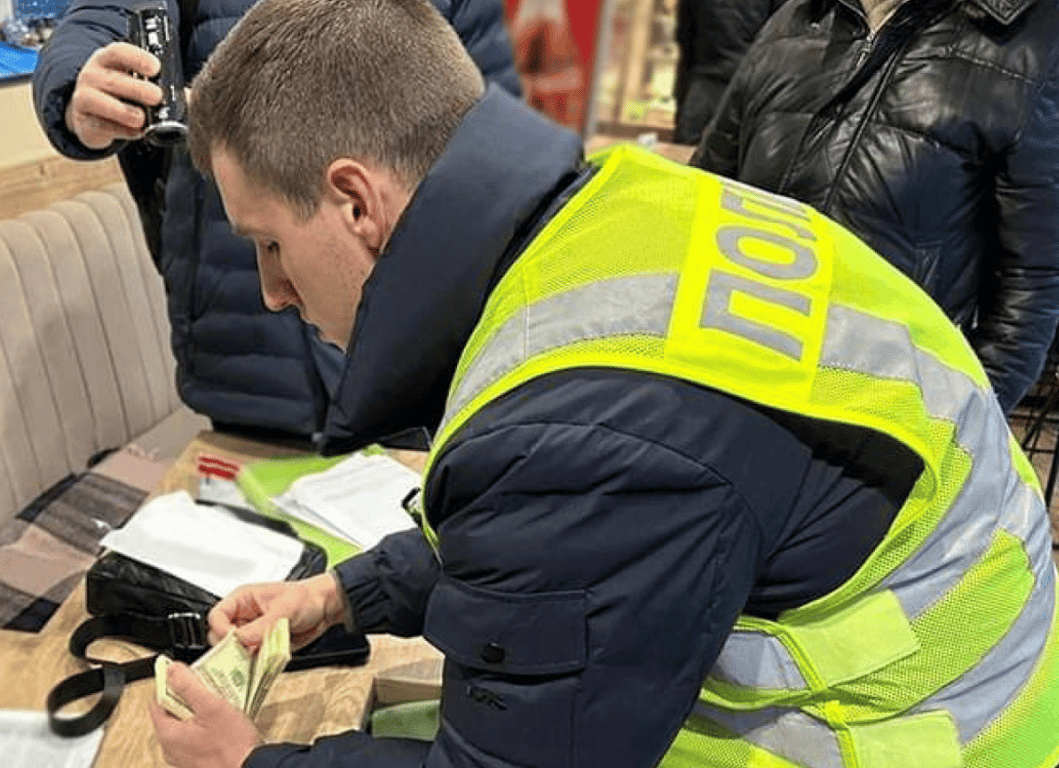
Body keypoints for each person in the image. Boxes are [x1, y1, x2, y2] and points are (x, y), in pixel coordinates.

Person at [140, 1, 1059, 766]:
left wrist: (247, 764)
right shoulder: (619, 208)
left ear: (355, 203)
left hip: (907, 737)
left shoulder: (578, 431)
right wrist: (346, 596)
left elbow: (566, 511)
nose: (271, 291)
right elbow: (562, 536)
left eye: (269, 242)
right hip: (948, 670)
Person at [30, 0, 520, 445]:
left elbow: (494, 137)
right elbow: (101, 18)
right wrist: (81, 86)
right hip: (246, 352)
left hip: (411, 354)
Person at [690, 0, 1059, 415]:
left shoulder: (1035, 40)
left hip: (878, 410)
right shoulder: (797, 19)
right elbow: (704, 196)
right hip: (730, 379)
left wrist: (955, 422)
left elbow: (1033, 281)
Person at [671, 0, 789, 144]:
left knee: (687, 150)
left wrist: (681, 101)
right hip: (749, 85)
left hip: (704, 88)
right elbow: (781, 39)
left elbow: (685, 38)